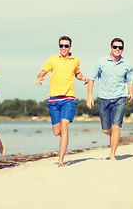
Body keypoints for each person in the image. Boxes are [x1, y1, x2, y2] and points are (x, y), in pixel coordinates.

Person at [35, 36, 88, 167]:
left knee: (65, 127)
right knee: (57, 132)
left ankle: (61, 159)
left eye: (66, 46)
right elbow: (42, 72)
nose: (63, 48)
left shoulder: (75, 60)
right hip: (53, 100)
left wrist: (83, 78)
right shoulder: (52, 59)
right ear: (59, 46)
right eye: (61, 45)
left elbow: (77, 74)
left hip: (68, 99)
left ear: (70, 47)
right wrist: (39, 78)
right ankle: (61, 153)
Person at [87, 38, 133, 161]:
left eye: (120, 47)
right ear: (111, 47)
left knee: (116, 126)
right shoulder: (101, 62)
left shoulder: (127, 64)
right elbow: (91, 79)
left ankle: (112, 155)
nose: (117, 49)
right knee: (106, 130)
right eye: (115, 47)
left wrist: (131, 92)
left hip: (120, 98)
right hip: (104, 99)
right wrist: (90, 97)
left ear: (123, 49)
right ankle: (112, 135)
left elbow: (130, 80)